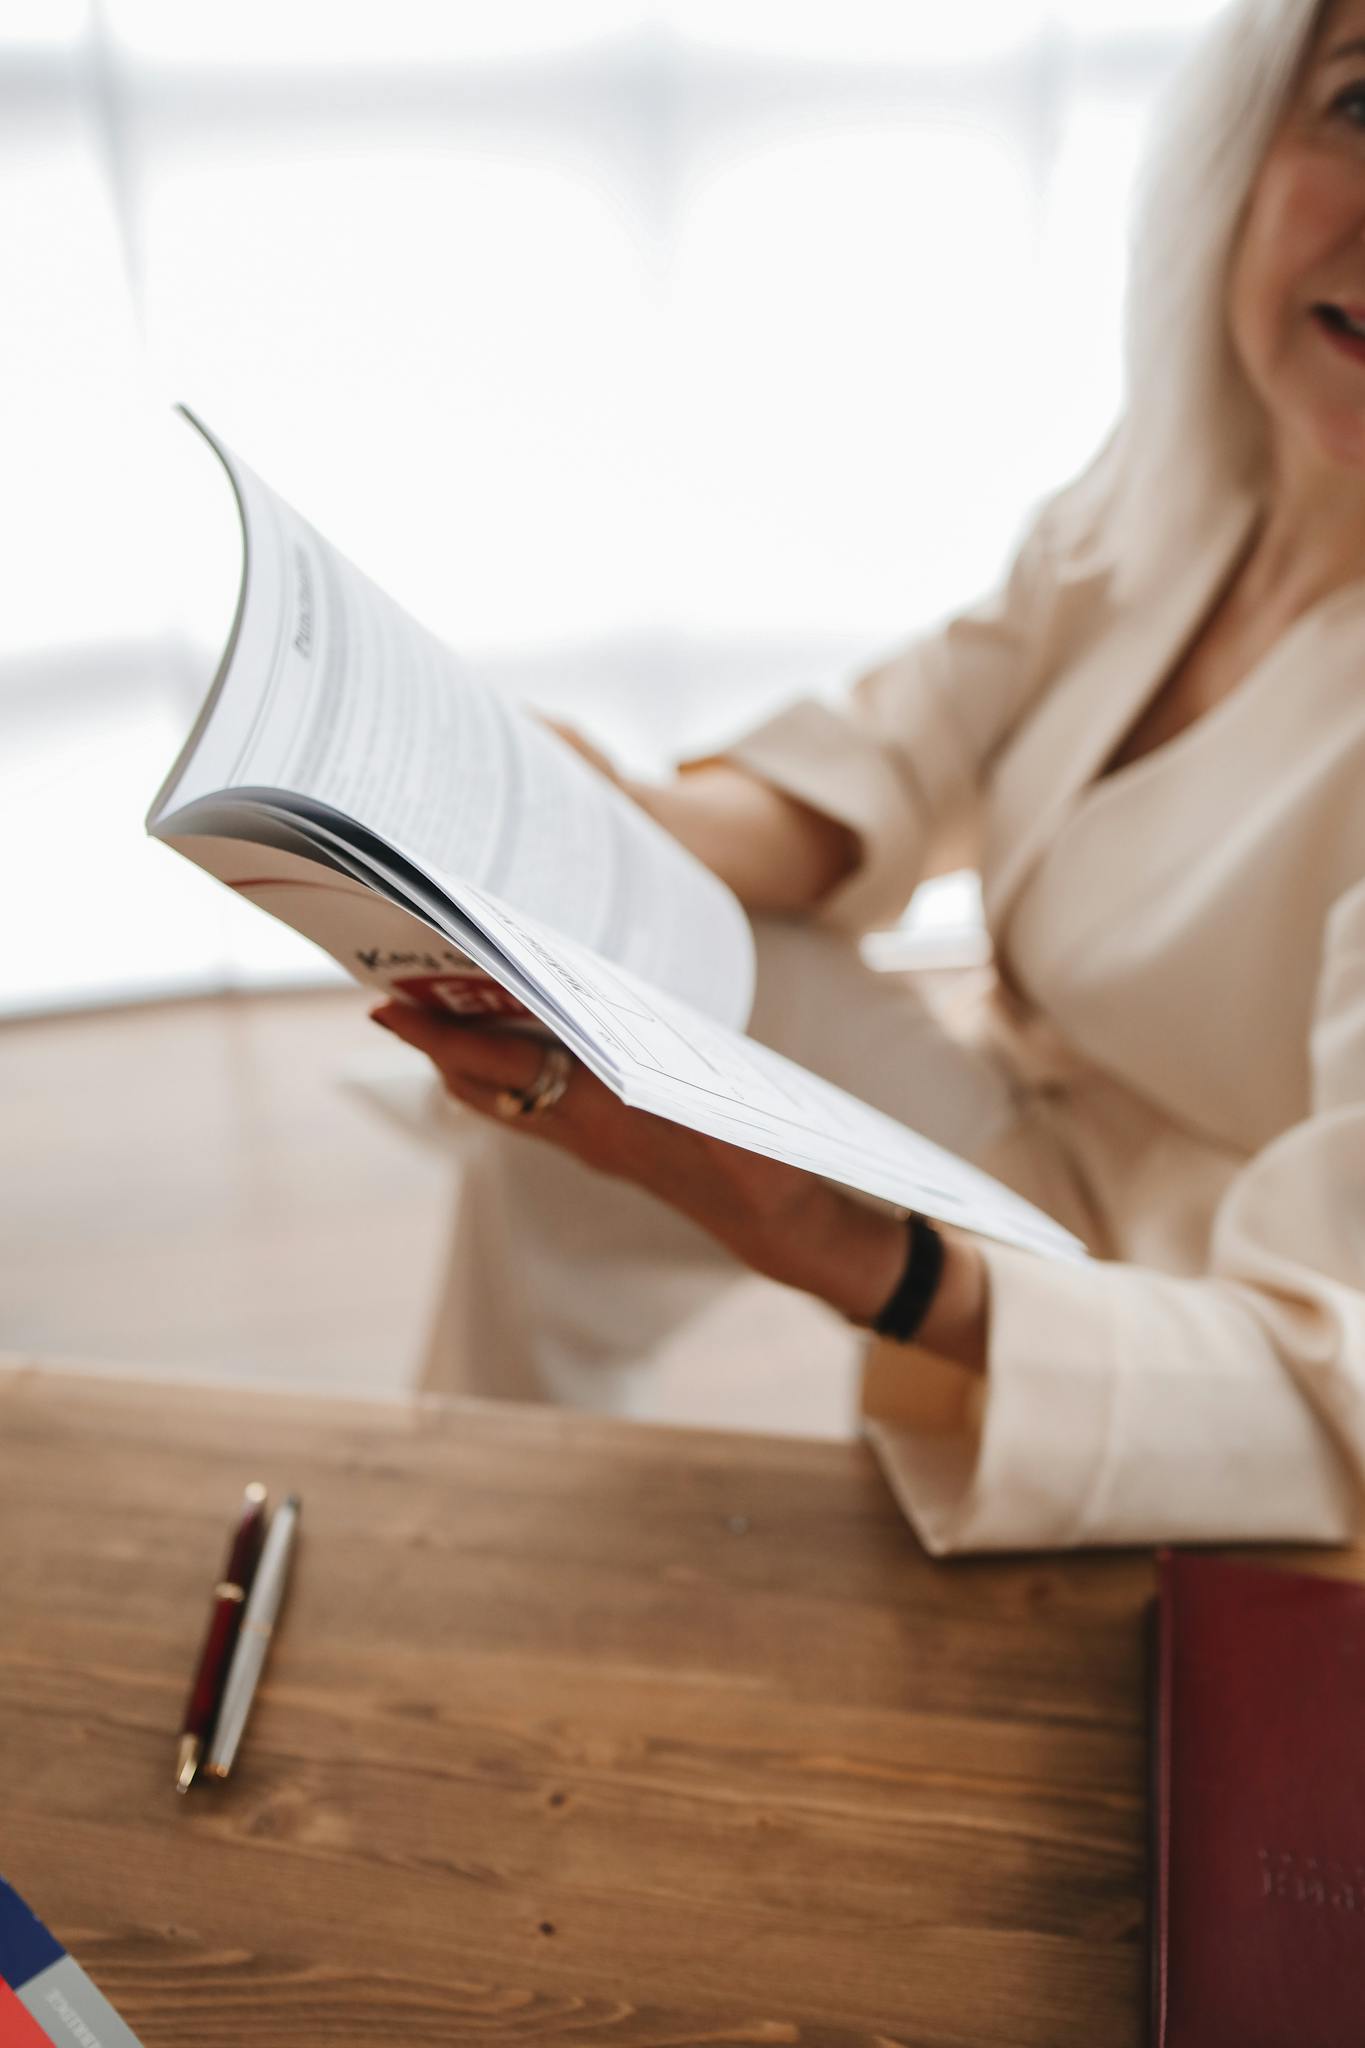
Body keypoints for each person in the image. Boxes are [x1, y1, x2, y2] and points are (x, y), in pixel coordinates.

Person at [373, 0, 1365, 1554]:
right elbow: (906, 743)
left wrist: (841, 1243)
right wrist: (600, 820)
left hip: (1196, 1321)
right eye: (1362, 107)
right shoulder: (1179, 491)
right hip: (1032, 1155)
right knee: (610, 994)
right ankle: (460, 1507)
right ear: (1240, 139)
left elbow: (1336, 1376)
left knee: (673, 1052)